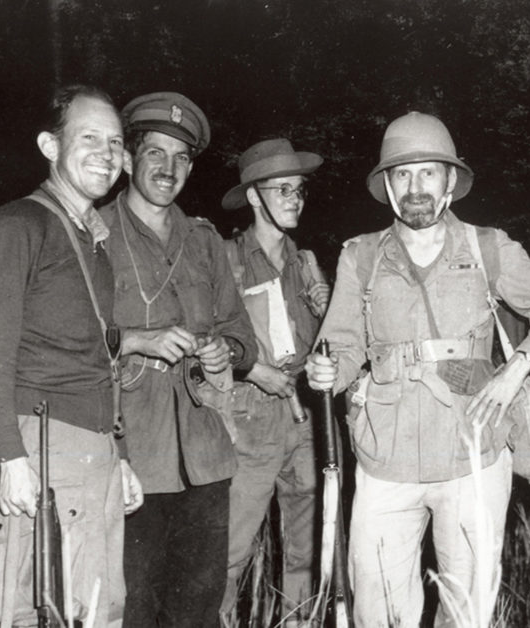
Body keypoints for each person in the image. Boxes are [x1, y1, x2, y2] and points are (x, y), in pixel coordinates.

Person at [305, 111, 530, 626]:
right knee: (380, 610)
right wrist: (325, 372)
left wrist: (517, 367)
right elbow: (339, 347)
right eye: (402, 174)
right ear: (387, 186)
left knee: (467, 611)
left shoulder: (488, 248)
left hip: (472, 454)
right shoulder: (359, 257)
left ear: (451, 180)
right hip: (385, 460)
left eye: (428, 172)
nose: (415, 187)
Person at [0, 85, 144, 627]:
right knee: (39, 610)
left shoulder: (93, 242)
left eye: (115, 142)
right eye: (89, 138)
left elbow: (96, 357)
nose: (107, 154)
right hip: (41, 447)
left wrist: (121, 453)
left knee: (99, 607)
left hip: (95, 452)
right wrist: (10, 457)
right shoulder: (18, 227)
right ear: (49, 145)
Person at [98, 92, 257, 627]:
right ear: (127, 159)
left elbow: (242, 337)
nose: (169, 169)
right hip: (130, 453)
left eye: (181, 158)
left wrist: (224, 349)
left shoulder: (205, 241)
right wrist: (136, 338)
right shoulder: (94, 235)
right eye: (156, 153)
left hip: (206, 456)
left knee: (197, 609)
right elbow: (68, 340)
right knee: (133, 605)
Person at [218, 138, 329, 627]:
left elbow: (327, 343)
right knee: (231, 551)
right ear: (254, 197)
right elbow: (204, 339)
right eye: (281, 189)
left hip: (304, 417)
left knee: (304, 552)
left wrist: (329, 310)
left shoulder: (306, 264)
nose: (294, 199)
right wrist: (250, 369)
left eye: (299, 190)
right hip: (248, 418)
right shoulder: (225, 259)